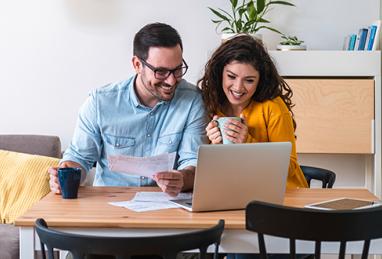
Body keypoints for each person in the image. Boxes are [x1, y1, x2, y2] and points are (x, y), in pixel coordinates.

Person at [49, 23, 207, 197]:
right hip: (108, 206)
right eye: (161, 72)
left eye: (177, 70)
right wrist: (64, 175)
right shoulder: (100, 102)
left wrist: (182, 178)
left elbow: (193, 162)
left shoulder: (192, 100)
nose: (171, 81)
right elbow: (79, 157)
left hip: (168, 206)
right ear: (137, 64)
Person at [199, 34, 308, 191]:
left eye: (249, 80)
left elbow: (288, 166)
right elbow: (217, 171)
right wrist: (215, 147)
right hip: (239, 192)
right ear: (219, 72)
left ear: (260, 80)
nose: (238, 87)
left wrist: (248, 143)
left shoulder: (273, 107)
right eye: (231, 76)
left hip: (284, 194)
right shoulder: (212, 104)